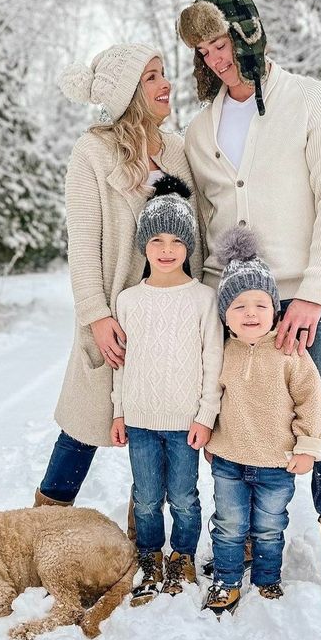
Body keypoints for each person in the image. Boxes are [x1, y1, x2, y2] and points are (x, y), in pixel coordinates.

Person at [177, 0, 321, 625]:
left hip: (303, 297)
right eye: (202, 50)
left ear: (247, 36)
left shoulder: (311, 102)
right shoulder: (200, 127)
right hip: (228, 301)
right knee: (232, 422)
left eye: (221, 43)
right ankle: (239, 535)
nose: (215, 59)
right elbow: (199, 217)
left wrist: (312, 294)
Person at [35, 44, 203, 536]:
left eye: (163, 73)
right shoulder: (92, 152)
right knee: (84, 424)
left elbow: (196, 231)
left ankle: (143, 535)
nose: (165, 84)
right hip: (114, 311)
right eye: (151, 77)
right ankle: (45, 525)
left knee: (157, 419)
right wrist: (96, 312)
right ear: (128, 92)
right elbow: (83, 242)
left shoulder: (175, 150)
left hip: (169, 313)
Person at [110, 175, 223, 605]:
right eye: (155, 239)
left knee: (184, 497)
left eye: (176, 240)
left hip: (184, 422)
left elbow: (213, 360)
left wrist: (205, 415)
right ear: (143, 246)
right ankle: (149, 556)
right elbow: (121, 364)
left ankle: (183, 556)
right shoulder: (128, 300)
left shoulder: (202, 299)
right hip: (139, 418)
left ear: (189, 246)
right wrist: (119, 411)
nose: (166, 249)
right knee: (146, 497)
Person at [202, 227, 321, 616]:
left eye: (260, 304)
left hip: (277, 461)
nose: (250, 314)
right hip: (229, 460)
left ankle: (268, 580)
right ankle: (226, 580)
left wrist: (307, 447)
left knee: (270, 527)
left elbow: (311, 399)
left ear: (275, 309)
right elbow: (210, 397)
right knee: (229, 524)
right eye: (238, 307)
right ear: (225, 315)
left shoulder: (290, 352)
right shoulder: (221, 353)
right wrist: (209, 436)